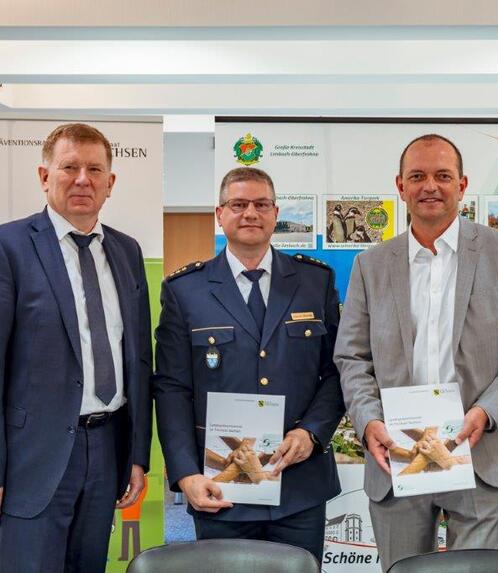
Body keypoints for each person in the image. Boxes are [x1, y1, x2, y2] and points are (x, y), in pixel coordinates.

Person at [334, 134, 498, 572]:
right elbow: (352, 358)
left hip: (479, 453)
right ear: (400, 186)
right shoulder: (370, 264)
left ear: (462, 184)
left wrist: (487, 411)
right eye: (417, 176)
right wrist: (368, 420)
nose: (429, 185)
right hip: (396, 454)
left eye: (442, 176)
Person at [152, 167, 343, 562]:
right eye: (238, 205)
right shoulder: (184, 291)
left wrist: (312, 432)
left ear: (276, 213)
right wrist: (185, 473)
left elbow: (337, 371)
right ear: (220, 214)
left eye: (261, 204)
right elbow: (172, 388)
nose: (250, 213)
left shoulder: (314, 282)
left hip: (298, 482)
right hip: (219, 483)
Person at [0, 123, 152, 573]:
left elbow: (137, 359)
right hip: (33, 456)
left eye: (94, 169)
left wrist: (137, 455)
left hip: (107, 449)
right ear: (45, 176)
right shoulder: (8, 247)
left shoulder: (127, 251)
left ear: (111, 183)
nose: (82, 179)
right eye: (69, 167)